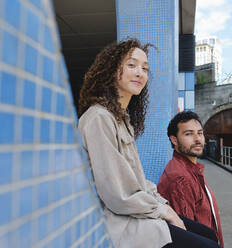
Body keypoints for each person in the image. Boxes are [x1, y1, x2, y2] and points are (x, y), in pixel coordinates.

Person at [78, 38, 220, 248]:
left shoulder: (121, 120)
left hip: (133, 213)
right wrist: (163, 211)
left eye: (145, 68)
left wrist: (163, 206)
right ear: (111, 70)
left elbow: (137, 180)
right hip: (118, 222)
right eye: (131, 65)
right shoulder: (99, 118)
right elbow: (117, 194)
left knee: (208, 234)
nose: (140, 73)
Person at [157, 111, 224, 248]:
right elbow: (185, 237)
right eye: (188, 134)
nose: (197, 139)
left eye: (199, 133)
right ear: (174, 140)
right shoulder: (180, 179)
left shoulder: (192, 170)